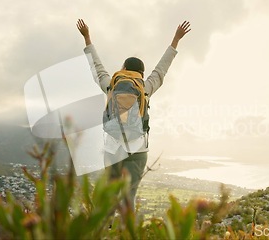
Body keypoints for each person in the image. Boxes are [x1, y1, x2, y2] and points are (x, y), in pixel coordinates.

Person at [77, 19, 191, 209]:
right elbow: (162, 69)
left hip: (113, 149)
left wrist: (87, 38)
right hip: (138, 151)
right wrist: (175, 40)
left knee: (108, 198)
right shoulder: (145, 88)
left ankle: (106, 233)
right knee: (129, 199)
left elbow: (96, 67)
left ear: (123, 69)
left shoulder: (111, 85)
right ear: (141, 72)